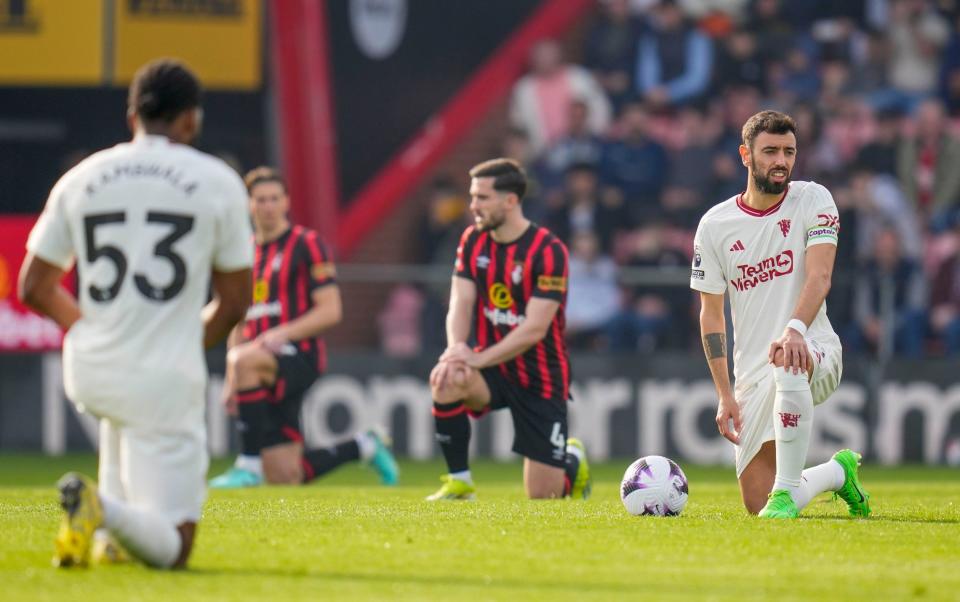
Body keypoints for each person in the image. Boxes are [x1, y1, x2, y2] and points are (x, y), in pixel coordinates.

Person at [18, 59, 253, 568]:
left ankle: (105, 538)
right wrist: (186, 344)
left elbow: (34, 287)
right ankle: (101, 509)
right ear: (191, 120)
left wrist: (88, 330)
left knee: (122, 424)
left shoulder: (83, 176)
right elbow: (235, 300)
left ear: (132, 118)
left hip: (90, 368)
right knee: (175, 546)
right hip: (163, 374)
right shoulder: (217, 181)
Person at [690, 110, 871, 519]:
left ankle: (787, 494)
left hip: (814, 347)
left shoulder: (813, 198)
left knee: (787, 357)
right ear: (745, 155)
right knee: (757, 502)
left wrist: (794, 330)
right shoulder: (715, 225)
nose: (781, 161)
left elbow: (820, 277)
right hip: (752, 373)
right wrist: (724, 393)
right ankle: (837, 474)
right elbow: (711, 315)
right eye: (770, 151)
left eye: (788, 151)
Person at [208, 167, 398, 489]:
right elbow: (238, 318)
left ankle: (248, 466)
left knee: (245, 361)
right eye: (260, 200)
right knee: (285, 476)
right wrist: (232, 377)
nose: (268, 206)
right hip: (254, 363)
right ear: (248, 205)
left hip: (298, 356)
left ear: (286, 203)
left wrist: (284, 333)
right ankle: (364, 445)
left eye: (274, 199)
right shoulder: (243, 252)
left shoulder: (306, 244)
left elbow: (331, 310)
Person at [426, 158, 590, 501]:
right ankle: (460, 483)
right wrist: (457, 350)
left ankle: (571, 463)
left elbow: (534, 329)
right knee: (445, 377)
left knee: (543, 498)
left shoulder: (548, 250)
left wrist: (477, 358)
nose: (473, 206)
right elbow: (460, 301)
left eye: (482, 197)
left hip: (540, 379)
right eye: (473, 197)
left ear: (510, 201)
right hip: (493, 369)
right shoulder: (472, 240)